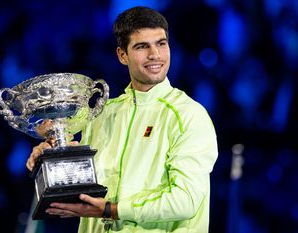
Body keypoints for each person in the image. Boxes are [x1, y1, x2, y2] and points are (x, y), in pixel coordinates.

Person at [26, 6, 218, 233]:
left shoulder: (188, 115)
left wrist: (111, 210)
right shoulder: (103, 114)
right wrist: (52, 156)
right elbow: (83, 185)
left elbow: (185, 201)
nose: (155, 54)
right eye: (142, 46)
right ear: (122, 55)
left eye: (161, 43)